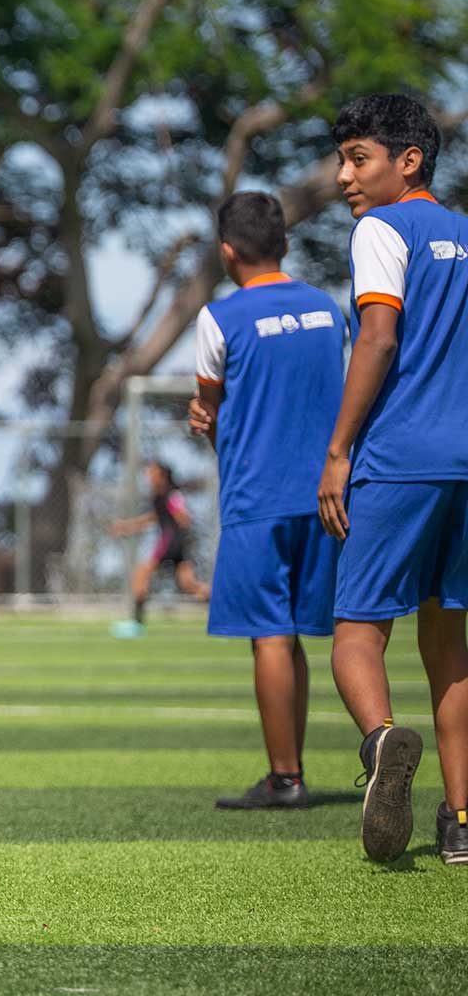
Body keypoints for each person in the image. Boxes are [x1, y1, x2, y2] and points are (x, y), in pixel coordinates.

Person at [312, 94, 467, 865]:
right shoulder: (467, 234)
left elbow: (376, 339)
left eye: (358, 158)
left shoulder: (381, 227)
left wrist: (338, 450)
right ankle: (462, 822)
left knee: (357, 633)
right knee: (450, 640)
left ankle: (381, 743)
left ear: (408, 162)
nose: (344, 175)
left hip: (401, 457)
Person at [187, 191, 344, 811]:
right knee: (309, 635)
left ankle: (285, 778)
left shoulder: (219, 318)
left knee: (271, 637)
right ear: (283, 243)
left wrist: (203, 421)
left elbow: (211, 407)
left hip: (259, 495)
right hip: (329, 495)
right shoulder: (328, 309)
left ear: (228, 251)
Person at [108, 459, 210, 636]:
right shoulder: (158, 497)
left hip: (171, 541)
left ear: (162, 475)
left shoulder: (171, 494)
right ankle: (225, 612)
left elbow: (182, 516)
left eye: (152, 472)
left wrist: (183, 527)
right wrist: (126, 526)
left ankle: (136, 624)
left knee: (141, 573)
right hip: (177, 543)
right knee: (189, 584)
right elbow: (152, 518)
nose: (148, 476)